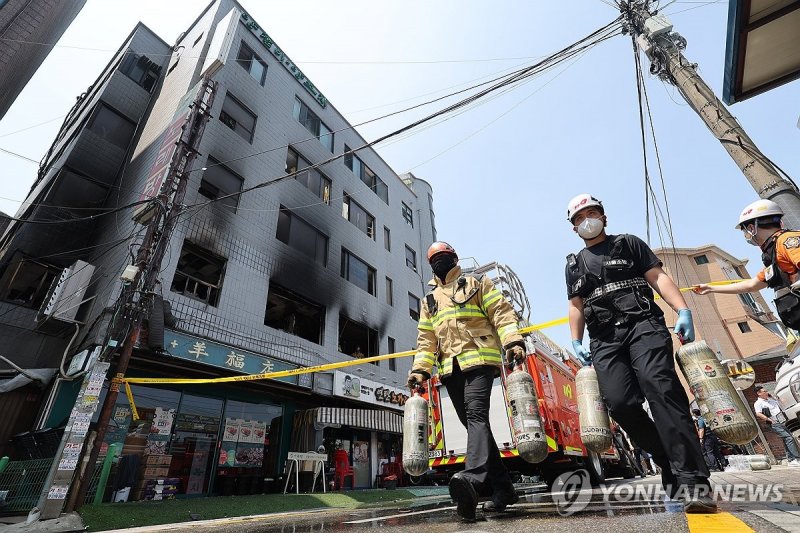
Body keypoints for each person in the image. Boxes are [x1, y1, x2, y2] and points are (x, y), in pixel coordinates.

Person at [564, 194, 715, 513]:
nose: (587, 220)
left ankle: (693, 481)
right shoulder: (574, 264)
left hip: (643, 325)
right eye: (580, 218)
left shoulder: (628, 243)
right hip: (604, 338)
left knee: (661, 391)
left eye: (592, 213)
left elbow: (657, 276)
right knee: (620, 404)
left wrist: (682, 309)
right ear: (574, 227)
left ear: (603, 217)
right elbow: (576, 305)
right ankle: (666, 460)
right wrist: (576, 340)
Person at [407, 241, 525, 521]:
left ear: (455, 258)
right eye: (434, 259)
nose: (440, 262)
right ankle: (504, 491)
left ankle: (471, 480)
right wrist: (420, 371)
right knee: (475, 425)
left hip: (480, 360)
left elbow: (502, 313)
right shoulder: (430, 301)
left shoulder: (475, 283)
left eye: (444, 256)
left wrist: (513, 341)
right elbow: (426, 341)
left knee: (475, 415)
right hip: (450, 368)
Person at [693, 199, 800, 332]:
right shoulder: (774, 256)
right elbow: (752, 285)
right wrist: (710, 288)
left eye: (745, 232)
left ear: (751, 228)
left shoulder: (787, 241)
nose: (746, 236)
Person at [753, 385, 800, 466]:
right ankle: (796, 458)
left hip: (782, 421)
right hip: (774, 423)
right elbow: (758, 414)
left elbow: (780, 403)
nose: (766, 392)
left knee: (787, 439)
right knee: (789, 438)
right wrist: (769, 419)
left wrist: (774, 397)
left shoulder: (771, 400)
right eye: (764, 391)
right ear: (759, 393)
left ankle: (791, 460)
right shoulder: (758, 403)